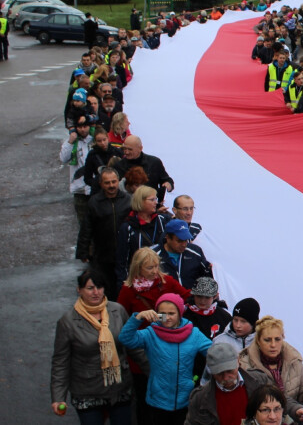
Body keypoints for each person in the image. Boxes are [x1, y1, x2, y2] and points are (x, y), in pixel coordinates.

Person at [51, 271, 142, 424]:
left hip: (119, 388)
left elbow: (135, 348)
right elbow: (61, 362)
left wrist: (156, 374)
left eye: (99, 287)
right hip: (87, 392)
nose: (96, 292)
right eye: (90, 288)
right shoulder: (68, 322)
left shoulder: (118, 311)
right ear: (79, 290)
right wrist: (58, 398)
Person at [120, 293, 212, 425]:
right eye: (163, 313)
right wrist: (138, 318)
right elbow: (126, 339)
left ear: (180, 314)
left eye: (171, 313)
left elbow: (213, 351)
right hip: (158, 400)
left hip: (185, 399)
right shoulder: (151, 333)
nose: (167, 318)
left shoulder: (193, 333)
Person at [186, 343, 303, 425]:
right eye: (220, 373)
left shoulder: (258, 380)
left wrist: (296, 410)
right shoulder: (201, 398)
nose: (226, 377)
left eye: (230, 371)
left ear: (238, 362)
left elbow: (280, 399)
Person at [238, 316, 303, 406]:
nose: (273, 345)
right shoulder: (244, 364)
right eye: (267, 340)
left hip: (292, 416)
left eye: (277, 339)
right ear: (258, 341)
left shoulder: (294, 361)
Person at [78, 167, 131, 301]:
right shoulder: (94, 202)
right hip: (102, 253)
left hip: (125, 253)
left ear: (118, 181)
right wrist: (83, 251)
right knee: (104, 286)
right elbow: (86, 228)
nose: (111, 185)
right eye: (107, 183)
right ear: (101, 184)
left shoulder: (128, 200)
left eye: (114, 182)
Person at [115, 185, 171, 285]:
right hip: (139, 279)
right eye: (152, 199)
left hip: (161, 275)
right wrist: (124, 283)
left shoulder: (162, 220)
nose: (156, 202)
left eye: (156, 199)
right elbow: (122, 260)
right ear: (141, 201)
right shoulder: (128, 228)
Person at [150, 219, 212, 289]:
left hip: (191, 298)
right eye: (179, 241)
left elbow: (207, 276)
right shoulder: (153, 256)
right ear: (168, 238)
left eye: (186, 240)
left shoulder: (195, 252)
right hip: (166, 299)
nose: (184, 244)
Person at [113, 135, 174, 205]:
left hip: (153, 205)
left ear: (140, 148)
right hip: (129, 205)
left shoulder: (154, 162)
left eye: (130, 149)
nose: (126, 152)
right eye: (124, 149)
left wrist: (168, 185)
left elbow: (167, 180)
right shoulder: (118, 166)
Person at [60, 117, 94, 231]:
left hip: (94, 190)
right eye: (80, 127)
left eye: (85, 126)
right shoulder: (71, 142)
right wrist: (70, 142)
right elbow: (63, 158)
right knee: (83, 226)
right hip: (79, 190)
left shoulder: (95, 140)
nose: (83, 129)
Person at [83, 126, 122, 193]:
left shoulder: (117, 151)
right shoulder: (92, 155)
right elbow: (87, 178)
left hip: (117, 189)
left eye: (104, 140)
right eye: (99, 141)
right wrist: (99, 184)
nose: (103, 143)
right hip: (99, 191)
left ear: (108, 138)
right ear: (95, 141)